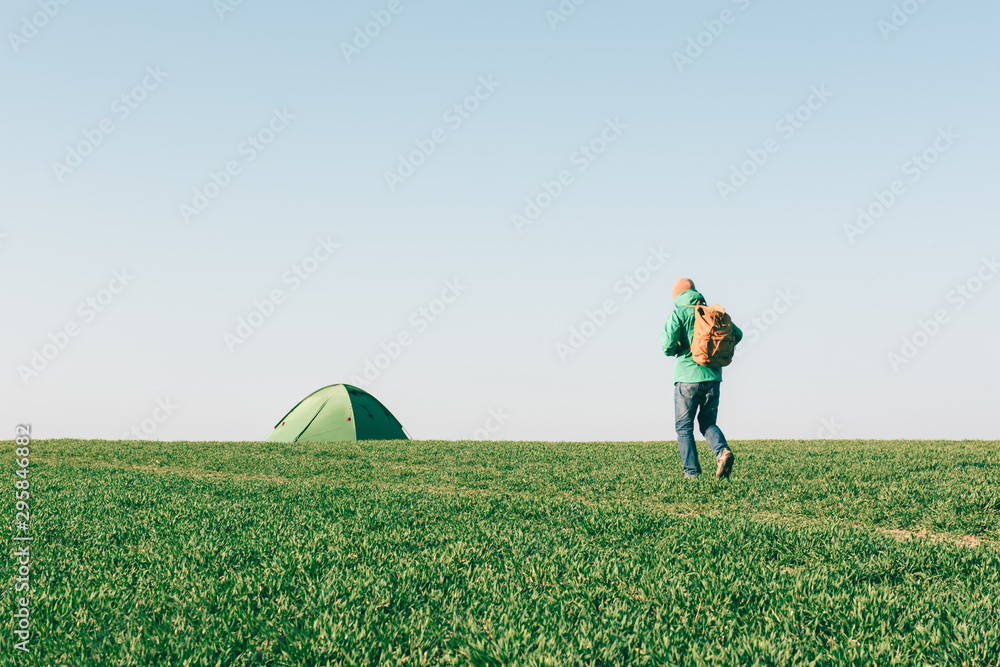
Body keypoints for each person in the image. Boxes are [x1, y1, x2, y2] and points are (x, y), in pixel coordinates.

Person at [661, 278, 743, 479]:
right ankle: (722, 451)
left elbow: (666, 347)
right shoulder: (712, 313)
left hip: (686, 378)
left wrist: (681, 347)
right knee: (707, 422)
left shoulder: (678, 313)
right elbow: (738, 334)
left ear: (677, 296)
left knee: (684, 427)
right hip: (713, 377)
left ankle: (692, 474)